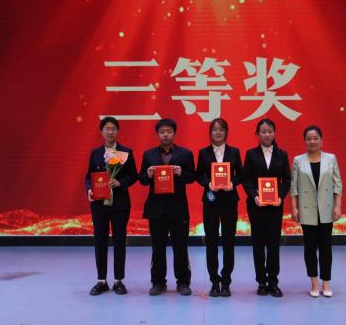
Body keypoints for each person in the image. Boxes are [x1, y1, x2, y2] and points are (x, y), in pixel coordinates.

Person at [139, 118, 196, 296]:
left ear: (174, 133)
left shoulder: (185, 154)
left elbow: (192, 177)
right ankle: (158, 282)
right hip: (156, 209)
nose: (165, 135)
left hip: (178, 208)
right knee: (157, 248)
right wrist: (147, 175)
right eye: (162, 132)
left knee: (181, 247)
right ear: (157, 134)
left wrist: (182, 173)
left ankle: (183, 282)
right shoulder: (149, 155)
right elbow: (141, 180)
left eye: (169, 131)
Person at [85, 117, 138, 296]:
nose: (110, 132)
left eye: (114, 128)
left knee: (119, 241)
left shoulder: (125, 152)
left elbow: (133, 175)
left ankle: (118, 280)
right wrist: (90, 189)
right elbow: (89, 177)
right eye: (107, 129)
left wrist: (120, 182)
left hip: (120, 204)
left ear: (118, 131)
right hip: (99, 204)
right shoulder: (95, 153)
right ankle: (101, 280)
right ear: (101, 132)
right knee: (100, 241)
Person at [290, 125, 342, 298]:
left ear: (321, 140)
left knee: (326, 248)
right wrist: (294, 207)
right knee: (310, 248)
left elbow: (337, 184)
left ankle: (326, 282)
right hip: (307, 210)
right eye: (309, 139)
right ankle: (313, 282)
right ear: (304, 141)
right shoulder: (298, 160)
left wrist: (337, 206)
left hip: (326, 208)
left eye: (315, 138)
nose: (312, 141)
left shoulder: (331, 158)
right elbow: (294, 187)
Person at [242, 118, 291, 297]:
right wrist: (254, 196)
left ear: (274, 133)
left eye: (270, 131)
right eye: (263, 132)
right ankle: (261, 282)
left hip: (275, 206)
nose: (267, 135)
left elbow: (287, 180)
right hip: (256, 206)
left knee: (273, 244)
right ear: (258, 134)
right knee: (258, 244)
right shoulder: (251, 154)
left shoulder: (282, 154)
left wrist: (280, 196)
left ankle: (273, 282)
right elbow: (245, 179)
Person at [195, 118, 244, 297]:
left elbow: (241, 175)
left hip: (230, 201)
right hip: (211, 201)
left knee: (229, 241)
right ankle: (214, 281)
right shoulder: (203, 153)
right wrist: (208, 183)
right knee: (211, 241)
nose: (218, 132)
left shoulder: (234, 152)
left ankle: (226, 281)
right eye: (214, 129)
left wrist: (232, 183)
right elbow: (198, 175)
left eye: (221, 129)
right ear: (210, 133)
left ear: (226, 132)